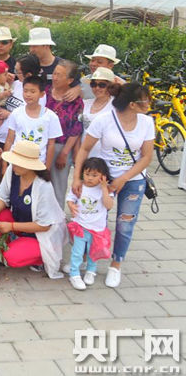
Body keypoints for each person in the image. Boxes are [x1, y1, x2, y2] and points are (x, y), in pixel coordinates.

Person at [71, 82, 154, 288]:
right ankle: (86, 259)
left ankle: (116, 265)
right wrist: (77, 177)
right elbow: (84, 149)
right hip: (103, 179)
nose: (149, 103)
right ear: (132, 104)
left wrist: (123, 178)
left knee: (125, 223)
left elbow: (146, 157)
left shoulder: (146, 122)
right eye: (146, 100)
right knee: (92, 218)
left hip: (133, 180)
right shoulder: (104, 120)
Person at [0, 140, 67, 279]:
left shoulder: (43, 186)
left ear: (29, 166)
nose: (13, 165)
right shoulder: (13, 171)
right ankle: (2, 251)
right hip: (19, 222)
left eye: (17, 162)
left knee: (12, 257)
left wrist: (11, 226)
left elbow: (44, 226)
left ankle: (39, 259)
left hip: (39, 234)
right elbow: (1, 195)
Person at [0, 55, 45, 183]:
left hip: (18, 144)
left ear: (28, 74)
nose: (14, 74)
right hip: (1, 139)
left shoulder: (38, 94)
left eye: (18, 72)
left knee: (16, 180)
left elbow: (33, 117)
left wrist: (8, 114)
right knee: (1, 178)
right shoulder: (15, 84)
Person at [65, 158, 114, 290]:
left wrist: (104, 188)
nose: (90, 178)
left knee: (94, 252)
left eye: (94, 175)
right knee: (77, 251)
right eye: (87, 174)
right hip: (81, 226)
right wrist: (71, 206)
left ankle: (91, 271)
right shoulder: (80, 187)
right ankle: (74, 273)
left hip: (97, 229)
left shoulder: (106, 190)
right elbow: (70, 199)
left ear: (103, 176)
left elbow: (109, 205)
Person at [3, 75, 62, 171]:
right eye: (25, 91)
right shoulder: (16, 113)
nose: (28, 95)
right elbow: (10, 139)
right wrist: (4, 164)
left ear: (42, 94)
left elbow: (51, 145)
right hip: (16, 162)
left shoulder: (51, 117)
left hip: (38, 164)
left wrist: (47, 168)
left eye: (33, 91)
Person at [46, 60, 84, 205]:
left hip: (61, 146)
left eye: (59, 75)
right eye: (54, 74)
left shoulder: (76, 101)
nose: (55, 78)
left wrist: (64, 153)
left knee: (58, 186)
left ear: (70, 80)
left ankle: (57, 216)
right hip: (42, 145)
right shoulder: (45, 92)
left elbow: (76, 129)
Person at [22, 27, 81, 100]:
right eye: (30, 46)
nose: (31, 50)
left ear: (46, 45)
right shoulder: (28, 65)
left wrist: (77, 89)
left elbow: (78, 85)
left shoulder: (63, 66)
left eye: (34, 46)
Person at [81, 68, 115, 158]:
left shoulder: (116, 106)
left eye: (102, 85)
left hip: (106, 157)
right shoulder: (85, 103)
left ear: (110, 86)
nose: (97, 88)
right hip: (85, 155)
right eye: (93, 84)